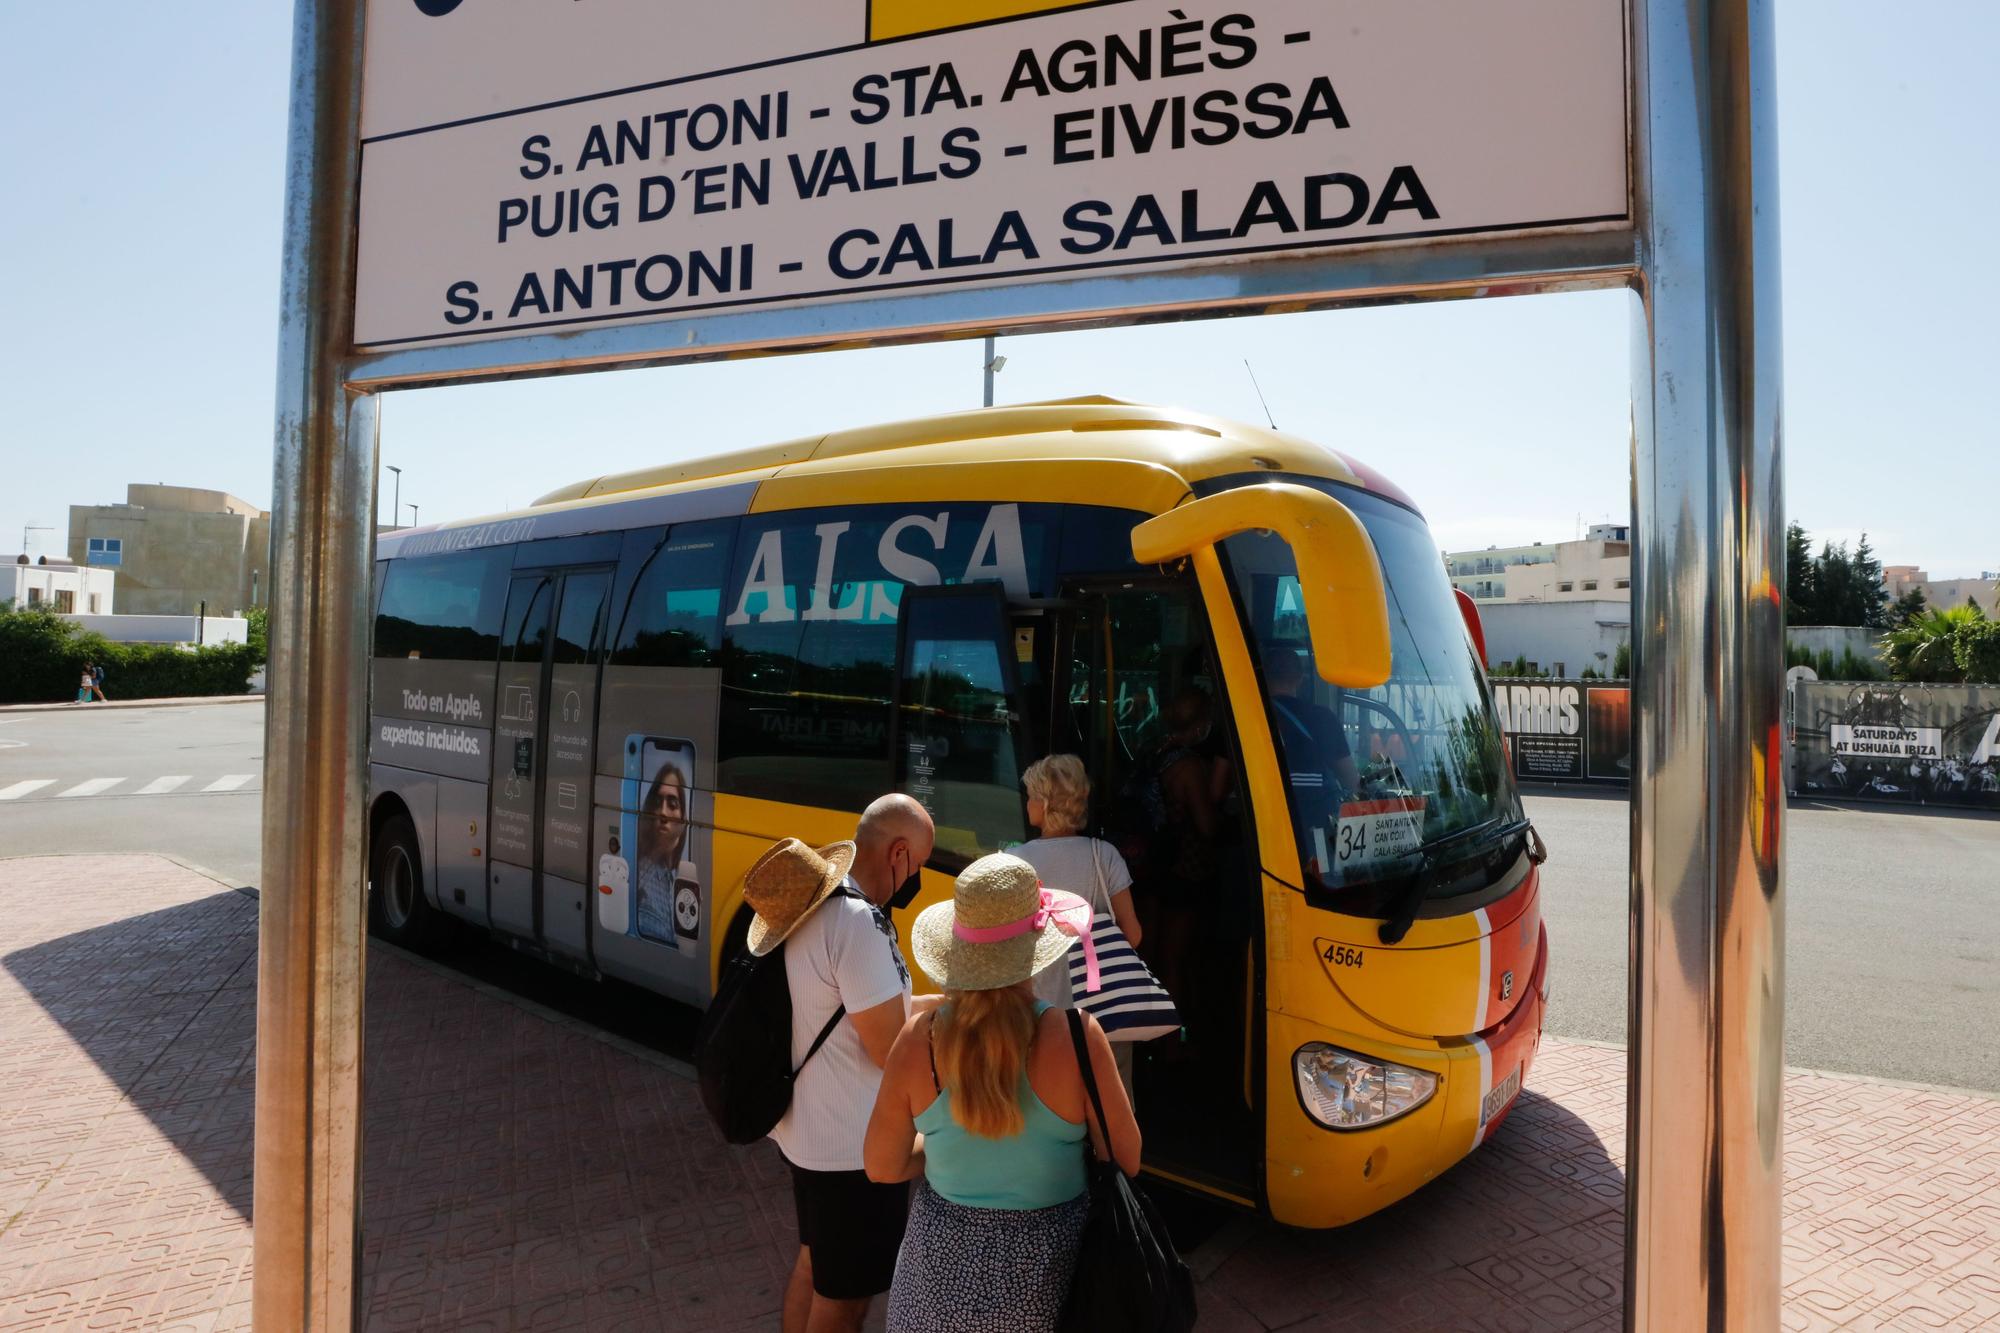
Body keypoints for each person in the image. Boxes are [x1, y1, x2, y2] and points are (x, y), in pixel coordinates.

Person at [866, 852, 1142, 1333]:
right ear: (1038, 942)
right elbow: (1127, 1157)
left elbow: (882, 1165)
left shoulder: (918, 1039)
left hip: (935, 1285)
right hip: (1051, 1282)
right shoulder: (1079, 1037)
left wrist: (948, 1147)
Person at [761, 794, 936, 1333]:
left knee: (816, 1265)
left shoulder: (820, 905)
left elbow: (866, 1011)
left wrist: (951, 1006)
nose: (917, 879)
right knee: (846, 1300)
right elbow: (888, 1048)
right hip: (852, 1150)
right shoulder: (858, 923)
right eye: (921, 866)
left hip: (809, 1134)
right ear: (900, 853)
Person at [1016, 754, 1142, 1096]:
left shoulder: (1016, 861)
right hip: (1104, 1015)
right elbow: (1133, 934)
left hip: (1040, 1017)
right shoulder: (1105, 855)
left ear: (1044, 804)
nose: (1027, 803)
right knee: (1109, 1109)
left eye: (1030, 795)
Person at [634, 762, 696, 943]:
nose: (662, 812)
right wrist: (657, 851)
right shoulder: (636, 869)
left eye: (672, 803)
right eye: (657, 802)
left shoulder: (683, 881)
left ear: (684, 818)